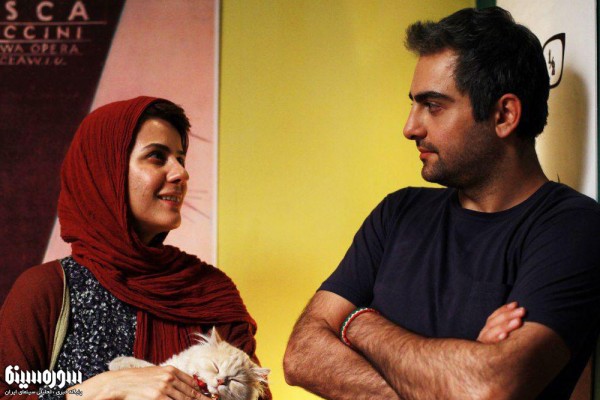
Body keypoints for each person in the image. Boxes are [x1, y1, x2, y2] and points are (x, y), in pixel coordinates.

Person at [284, 6, 600, 400]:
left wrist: (358, 323)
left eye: (433, 105)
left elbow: (488, 387)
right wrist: (447, 380)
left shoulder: (572, 228)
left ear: (504, 115)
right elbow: (300, 356)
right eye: (413, 104)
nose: (410, 127)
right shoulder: (396, 214)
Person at [0, 97, 271, 400]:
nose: (181, 173)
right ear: (106, 172)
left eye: (181, 159)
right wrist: (96, 390)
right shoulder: (46, 291)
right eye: (157, 157)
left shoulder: (210, 293)